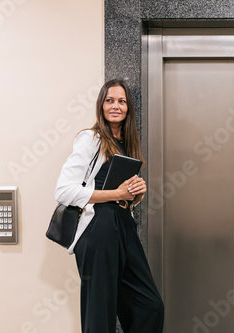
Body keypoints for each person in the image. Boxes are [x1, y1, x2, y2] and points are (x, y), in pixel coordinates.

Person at [55, 79, 164, 333]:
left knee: (150, 306)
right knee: (100, 314)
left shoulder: (128, 143)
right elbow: (63, 190)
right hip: (98, 229)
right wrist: (117, 192)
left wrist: (136, 194)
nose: (116, 106)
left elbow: (122, 195)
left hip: (124, 227)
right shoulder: (90, 139)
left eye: (122, 101)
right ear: (101, 105)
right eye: (110, 100)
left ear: (129, 108)